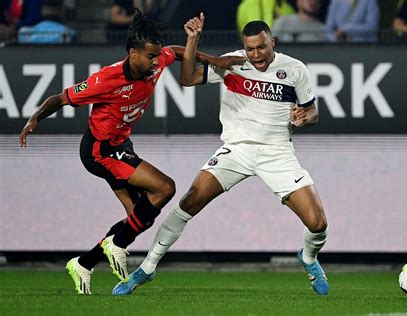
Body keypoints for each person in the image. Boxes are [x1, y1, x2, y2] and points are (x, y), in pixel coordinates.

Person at [18, 9, 244, 295]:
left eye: (155, 56)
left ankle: (84, 263)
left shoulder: (155, 60)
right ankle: (117, 245)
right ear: (132, 53)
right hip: (101, 150)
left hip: (121, 146)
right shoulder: (106, 79)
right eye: (149, 56)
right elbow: (60, 98)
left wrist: (212, 59)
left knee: (138, 218)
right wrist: (34, 119)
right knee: (165, 188)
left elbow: (173, 52)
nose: (155, 61)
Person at [113, 14, 330, 296]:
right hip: (236, 150)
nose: (256, 54)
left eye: (261, 47)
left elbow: (312, 110)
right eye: (250, 48)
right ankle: (148, 267)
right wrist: (193, 40)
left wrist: (305, 117)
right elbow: (188, 78)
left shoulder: (295, 69)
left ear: (272, 42)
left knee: (318, 223)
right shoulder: (233, 62)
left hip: (277, 152)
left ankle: (309, 257)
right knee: (190, 200)